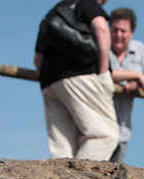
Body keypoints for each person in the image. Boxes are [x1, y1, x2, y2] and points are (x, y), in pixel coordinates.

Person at [33, 0, 119, 161]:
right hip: (82, 76)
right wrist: (102, 72)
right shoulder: (87, 3)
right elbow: (101, 28)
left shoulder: (52, 13)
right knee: (103, 135)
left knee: (62, 147)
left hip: (50, 83)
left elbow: (37, 59)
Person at [107, 7, 144, 163]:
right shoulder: (101, 47)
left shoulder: (142, 51)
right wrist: (136, 75)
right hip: (95, 128)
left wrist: (138, 84)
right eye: (115, 30)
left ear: (131, 33)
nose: (118, 35)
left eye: (123, 31)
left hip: (122, 131)